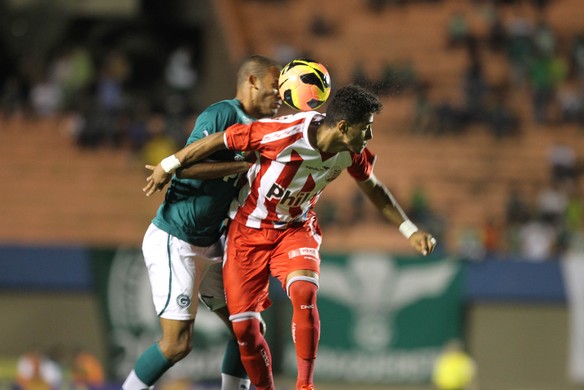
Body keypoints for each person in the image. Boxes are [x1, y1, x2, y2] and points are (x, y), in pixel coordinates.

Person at [143, 84, 437, 390]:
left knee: (303, 293)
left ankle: (305, 386)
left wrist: (410, 229)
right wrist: (170, 164)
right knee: (245, 330)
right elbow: (223, 138)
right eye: (367, 129)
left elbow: (373, 188)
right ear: (343, 127)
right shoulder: (281, 134)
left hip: (296, 228)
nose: (370, 138)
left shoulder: (353, 151)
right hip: (248, 231)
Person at [122, 55, 282, 390]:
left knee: (249, 330)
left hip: (212, 241)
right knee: (177, 344)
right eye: (274, 85)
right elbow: (183, 165)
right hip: (176, 237)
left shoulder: (265, 132)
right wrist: (241, 168)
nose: (279, 94)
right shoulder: (221, 114)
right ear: (252, 81)